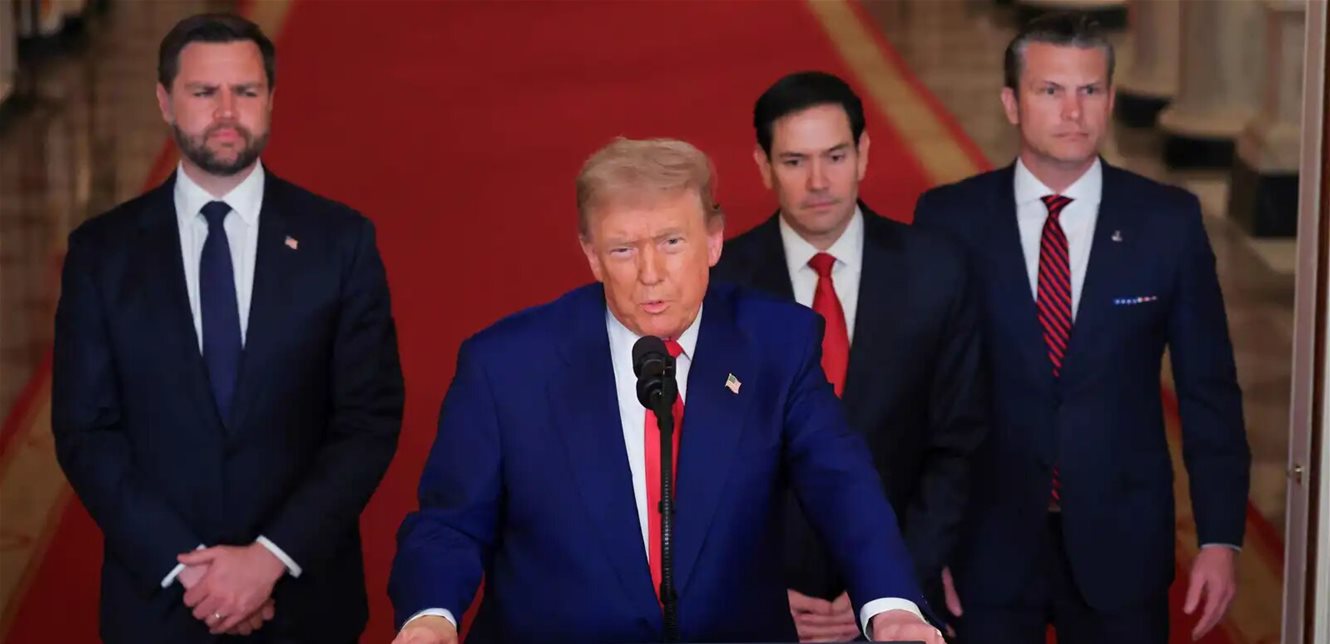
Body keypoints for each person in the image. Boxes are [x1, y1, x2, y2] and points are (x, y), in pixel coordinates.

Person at [389, 137, 943, 644]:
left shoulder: (777, 344)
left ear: (714, 240)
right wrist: (430, 618)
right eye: (623, 250)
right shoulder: (506, 365)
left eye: (672, 242)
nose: (650, 273)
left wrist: (892, 606)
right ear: (591, 255)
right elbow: (450, 522)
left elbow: (842, 487)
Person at [51, 13, 404, 643]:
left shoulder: (340, 242)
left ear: (270, 99)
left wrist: (268, 560)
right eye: (203, 92)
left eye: (245, 91)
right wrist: (195, 576)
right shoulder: (101, 254)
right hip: (159, 606)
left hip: (304, 605)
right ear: (164, 101)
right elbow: (86, 431)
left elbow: (367, 419)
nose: (226, 112)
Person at [912, 12, 1250, 643]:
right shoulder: (949, 219)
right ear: (1011, 103)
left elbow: (1209, 391)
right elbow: (921, 393)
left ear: (1111, 99)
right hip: (984, 548)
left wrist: (1220, 537)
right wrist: (925, 544)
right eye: (1051, 90)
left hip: (1124, 546)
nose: (1074, 111)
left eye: (1089, 90)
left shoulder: (1167, 223)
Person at [712, 70, 986, 641]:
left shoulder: (936, 271)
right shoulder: (720, 287)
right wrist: (757, 587)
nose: (818, 181)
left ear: (863, 153)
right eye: (794, 161)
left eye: (835, 157)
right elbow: (702, 461)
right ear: (762, 165)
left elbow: (958, 446)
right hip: (765, 605)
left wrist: (890, 587)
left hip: (904, 601)